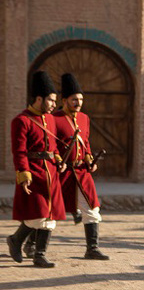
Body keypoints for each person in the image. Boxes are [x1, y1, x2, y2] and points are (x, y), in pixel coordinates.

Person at [6, 71, 66, 268]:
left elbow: (53, 147)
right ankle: (16, 240)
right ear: (39, 98)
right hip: (34, 172)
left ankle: (40, 255)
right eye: (50, 100)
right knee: (37, 214)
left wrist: (58, 159)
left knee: (50, 215)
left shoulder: (50, 120)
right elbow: (19, 151)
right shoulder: (21, 121)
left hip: (51, 173)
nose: (52, 104)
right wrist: (24, 175)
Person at [51, 73, 108, 260]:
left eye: (81, 99)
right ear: (64, 100)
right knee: (49, 210)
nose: (78, 103)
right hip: (62, 172)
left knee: (92, 207)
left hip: (82, 171)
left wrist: (90, 158)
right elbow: (50, 144)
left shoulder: (84, 118)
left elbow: (86, 142)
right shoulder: (54, 118)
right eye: (74, 99)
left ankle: (92, 248)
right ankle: (30, 244)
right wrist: (58, 160)